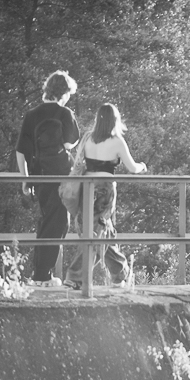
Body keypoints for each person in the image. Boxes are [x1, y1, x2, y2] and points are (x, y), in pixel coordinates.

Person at [64, 103, 147, 290]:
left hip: (86, 187)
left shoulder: (87, 138)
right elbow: (132, 168)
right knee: (98, 231)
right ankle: (76, 276)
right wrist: (142, 166)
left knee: (98, 230)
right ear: (114, 121)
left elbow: (77, 163)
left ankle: (118, 274)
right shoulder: (117, 142)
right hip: (105, 190)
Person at [16, 70, 80, 287]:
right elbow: (70, 144)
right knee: (59, 223)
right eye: (68, 94)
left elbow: (21, 151)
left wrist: (25, 179)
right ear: (63, 93)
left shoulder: (31, 115)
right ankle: (42, 276)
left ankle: (40, 273)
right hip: (61, 175)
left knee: (46, 221)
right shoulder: (64, 113)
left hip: (39, 175)